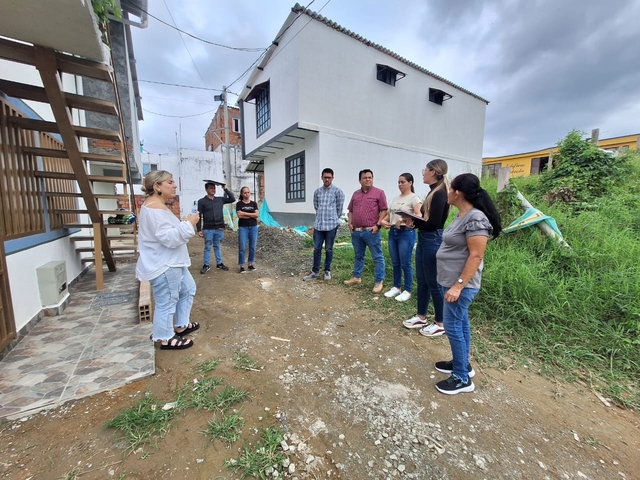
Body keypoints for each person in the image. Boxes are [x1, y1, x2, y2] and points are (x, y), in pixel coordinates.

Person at [434, 173, 501, 394]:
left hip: (459, 285)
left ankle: (462, 378)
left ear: (458, 192)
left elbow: (476, 256)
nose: (448, 193)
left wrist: (458, 285)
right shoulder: (461, 215)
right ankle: (461, 363)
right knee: (461, 323)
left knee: (453, 326)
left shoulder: (475, 218)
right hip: (449, 280)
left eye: (450, 188)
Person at [136, 170, 201, 350]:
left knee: (188, 289)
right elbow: (169, 238)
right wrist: (190, 224)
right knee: (167, 300)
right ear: (157, 186)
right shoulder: (154, 208)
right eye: (170, 182)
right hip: (164, 263)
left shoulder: (158, 205)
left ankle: (181, 325)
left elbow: (166, 233)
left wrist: (185, 223)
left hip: (173, 261)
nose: (174, 185)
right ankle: (165, 337)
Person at [402, 159, 450, 337]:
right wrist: (414, 221)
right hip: (424, 239)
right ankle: (421, 316)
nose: (423, 173)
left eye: (425, 170)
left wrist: (415, 221)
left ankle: (440, 322)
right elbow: (428, 222)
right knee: (422, 281)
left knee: (433, 283)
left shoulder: (440, 194)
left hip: (432, 240)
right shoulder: (433, 192)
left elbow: (435, 223)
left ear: (433, 172)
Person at [380, 173, 422, 302]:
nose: (400, 184)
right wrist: (383, 221)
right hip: (393, 232)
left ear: (410, 183)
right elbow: (390, 214)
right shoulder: (395, 198)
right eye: (398, 182)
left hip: (406, 233)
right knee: (395, 262)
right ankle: (396, 287)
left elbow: (419, 215)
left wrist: (404, 219)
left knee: (405, 263)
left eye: (402, 182)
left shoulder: (414, 198)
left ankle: (407, 290)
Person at [344, 169, 387, 293]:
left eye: (370, 177)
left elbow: (384, 210)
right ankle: (356, 277)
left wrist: (378, 225)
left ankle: (379, 281)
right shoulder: (356, 194)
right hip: (356, 231)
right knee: (358, 256)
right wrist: (350, 223)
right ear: (360, 180)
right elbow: (351, 210)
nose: (368, 179)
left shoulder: (379, 193)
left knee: (377, 257)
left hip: (371, 231)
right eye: (365, 178)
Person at [303, 168, 345, 281]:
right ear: (322, 177)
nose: (327, 179)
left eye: (329, 177)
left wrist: (333, 218)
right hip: (319, 225)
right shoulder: (317, 192)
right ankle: (315, 272)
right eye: (325, 177)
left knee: (328, 249)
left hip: (331, 225)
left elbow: (339, 209)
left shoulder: (338, 192)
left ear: (332, 178)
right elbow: (316, 206)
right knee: (316, 249)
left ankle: (327, 271)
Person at [197, 181, 235, 273]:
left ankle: (219, 263)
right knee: (208, 247)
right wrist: (199, 229)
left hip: (219, 228)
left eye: (214, 188)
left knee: (217, 246)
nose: (213, 190)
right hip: (208, 228)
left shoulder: (220, 200)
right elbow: (199, 215)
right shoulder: (202, 201)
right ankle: (206, 265)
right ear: (206, 189)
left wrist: (225, 188)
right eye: (211, 188)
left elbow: (232, 199)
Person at [236, 186, 259, 273]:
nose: (247, 194)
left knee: (252, 247)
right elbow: (239, 216)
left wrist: (244, 213)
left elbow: (256, 215)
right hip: (243, 228)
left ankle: (250, 264)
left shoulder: (254, 204)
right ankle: (242, 265)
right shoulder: (239, 204)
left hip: (253, 227)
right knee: (242, 247)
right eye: (245, 192)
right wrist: (251, 214)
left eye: (248, 192)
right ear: (242, 194)